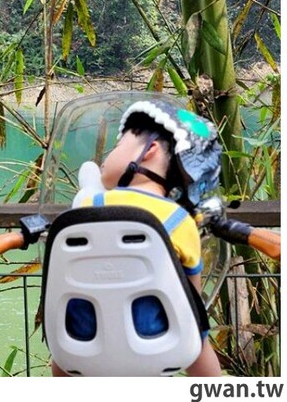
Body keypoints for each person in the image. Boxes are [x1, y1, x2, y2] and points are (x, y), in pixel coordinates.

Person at [52, 99, 223, 377]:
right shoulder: (180, 219)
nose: (106, 158)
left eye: (117, 146)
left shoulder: (88, 204)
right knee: (197, 327)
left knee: (60, 350)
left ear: (149, 150)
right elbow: (191, 294)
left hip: (83, 337)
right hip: (158, 338)